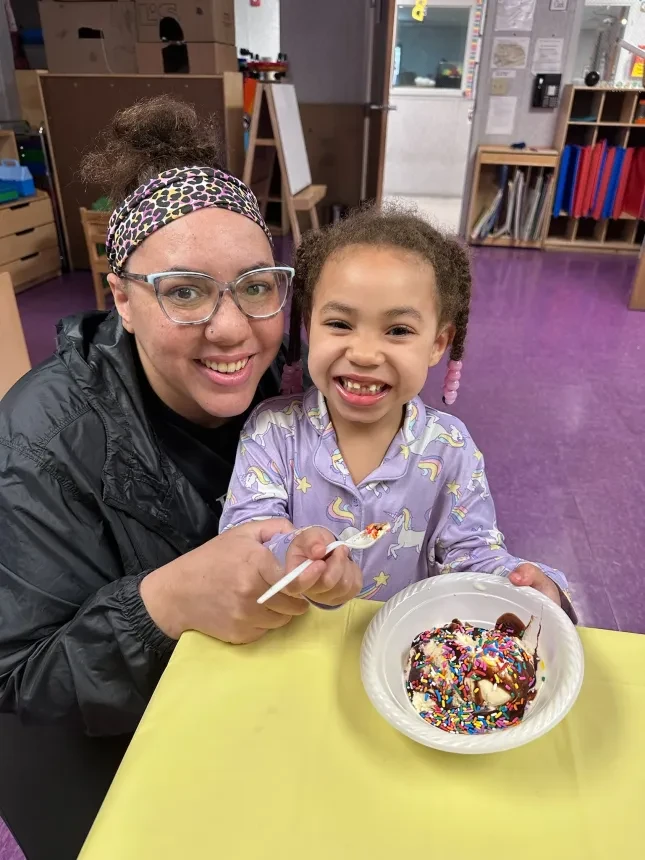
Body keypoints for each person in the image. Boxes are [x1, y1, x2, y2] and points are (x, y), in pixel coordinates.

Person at [0, 96, 360, 860]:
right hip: (104, 778)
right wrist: (160, 603)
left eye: (255, 286)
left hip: (237, 732)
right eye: (185, 291)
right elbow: (22, 686)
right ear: (124, 299)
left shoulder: (281, 402)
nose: (231, 328)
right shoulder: (39, 444)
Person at [220, 206, 576, 618]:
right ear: (307, 325)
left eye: (399, 331)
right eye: (339, 323)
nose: (365, 354)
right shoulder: (272, 432)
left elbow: (471, 553)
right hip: (290, 637)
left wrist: (525, 584)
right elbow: (245, 535)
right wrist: (291, 552)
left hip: (402, 651)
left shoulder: (450, 448)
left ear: (438, 343)